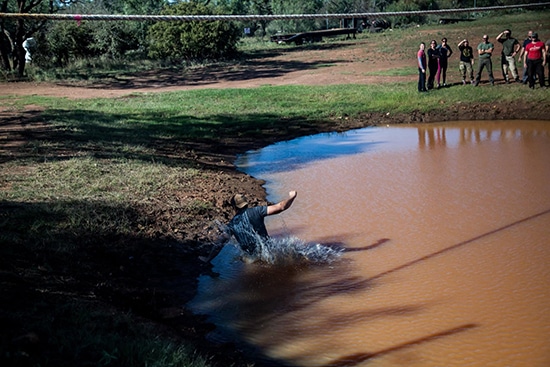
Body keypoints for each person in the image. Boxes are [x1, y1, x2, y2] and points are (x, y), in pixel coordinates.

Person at [200, 191, 298, 262]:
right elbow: (281, 207)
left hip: (250, 258)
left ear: (234, 207)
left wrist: (208, 258)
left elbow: (220, 242)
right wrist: (291, 197)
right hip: (267, 252)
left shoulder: (232, 224)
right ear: (246, 203)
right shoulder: (257, 211)